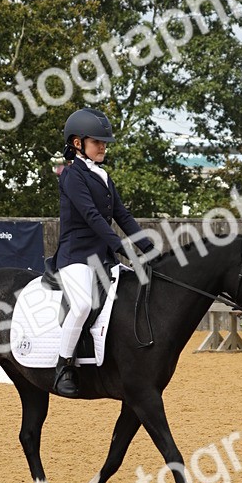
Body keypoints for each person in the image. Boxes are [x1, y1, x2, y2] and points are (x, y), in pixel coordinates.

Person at [51, 108, 156, 397]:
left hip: (103, 258)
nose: (103, 147)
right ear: (77, 143)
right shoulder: (71, 176)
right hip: (76, 257)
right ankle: (63, 368)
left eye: (104, 142)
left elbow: (122, 215)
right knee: (83, 304)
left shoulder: (103, 176)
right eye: (97, 142)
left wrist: (148, 248)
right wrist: (122, 248)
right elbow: (92, 217)